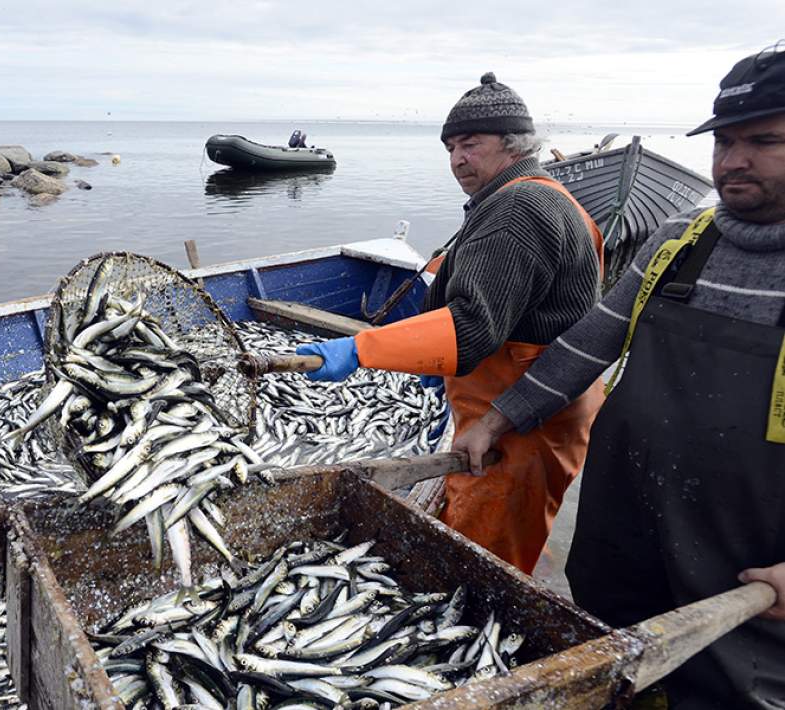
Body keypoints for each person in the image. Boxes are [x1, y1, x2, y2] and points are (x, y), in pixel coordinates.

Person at [454, 43, 785, 707]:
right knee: (609, 651)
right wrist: (498, 417)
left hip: (749, 551)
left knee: (724, 688)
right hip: (627, 518)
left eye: (764, 140)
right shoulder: (680, 240)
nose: (732, 161)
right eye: (723, 142)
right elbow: (587, 343)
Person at [295, 72, 605, 574]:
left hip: (519, 420)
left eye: (471, 144)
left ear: (513, 144)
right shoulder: (547, 195)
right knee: (507, 530)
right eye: (451, 147)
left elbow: (471, 330)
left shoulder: (519, 208)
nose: (458, 159)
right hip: (543, 406)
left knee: (479, 564)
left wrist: (362, 350)